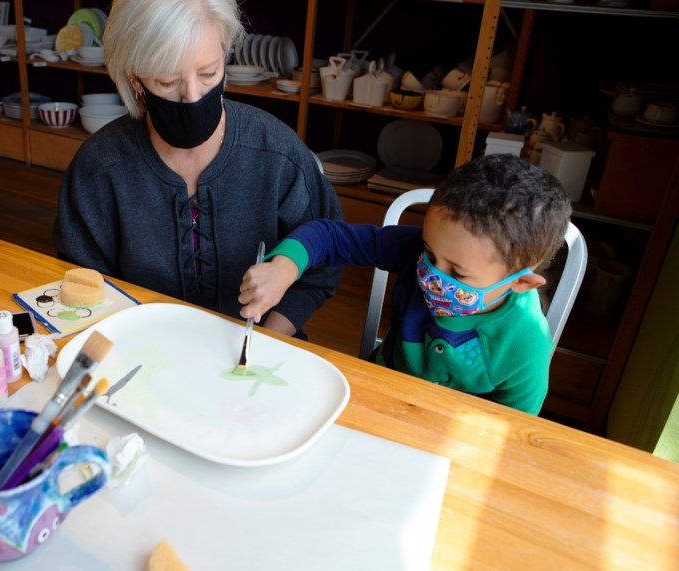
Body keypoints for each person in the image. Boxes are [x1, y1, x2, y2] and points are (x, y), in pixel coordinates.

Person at [54, 0, 342, 336]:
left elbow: (324, 260)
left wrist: (271, 336)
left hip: (260, 348)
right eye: (168, 80)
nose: (192, 96)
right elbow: (84, 286)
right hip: (142, 347)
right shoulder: (100, 168)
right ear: (134, 78)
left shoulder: (276, 154)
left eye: (208, 73)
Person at [239, 153, 572, 414]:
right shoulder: (413, 251)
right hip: (377, 390)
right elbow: (328, 236)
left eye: (457, 273)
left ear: (522, 283)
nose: (432, 275)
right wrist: (284, 266)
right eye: (429, 252)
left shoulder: (527, 344)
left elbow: (510, 433)